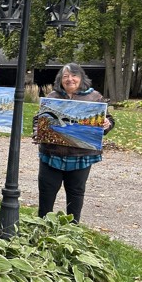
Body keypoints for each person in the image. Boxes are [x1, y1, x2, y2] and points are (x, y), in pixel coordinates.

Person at [35, 63, 114, 222]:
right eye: (65, 76)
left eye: (74, 75)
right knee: (46, 192)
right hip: (51, 154)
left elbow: (109, 120)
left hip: (81, 156)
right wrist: (38, 130)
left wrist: (107, 124)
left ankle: (72, 228)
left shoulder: (94, 97)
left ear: (81, 78)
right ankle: (42, 226)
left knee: (75, 193)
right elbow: (38, 119)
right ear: (60, 79)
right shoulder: (52, 97)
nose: (70, 79)